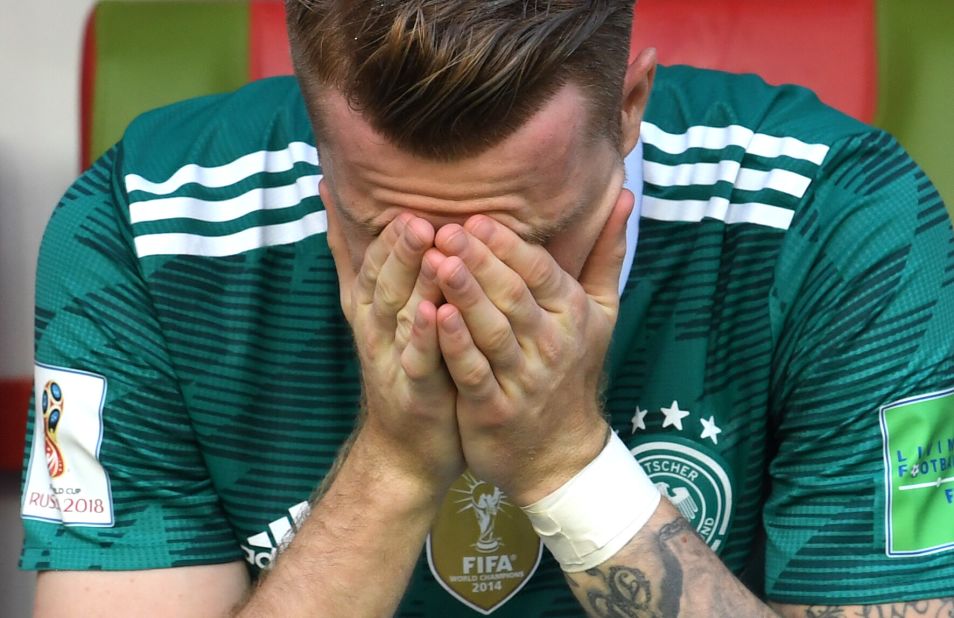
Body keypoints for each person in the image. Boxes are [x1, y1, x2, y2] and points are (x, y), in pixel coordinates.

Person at [20, 1, 954, 616]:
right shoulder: (140, 230)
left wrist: (567, 465)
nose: (453, 294)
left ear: (628, 108)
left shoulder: (848, 221)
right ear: (312, 123)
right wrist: (391, 463)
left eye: (525, 240)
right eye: (386, 230)